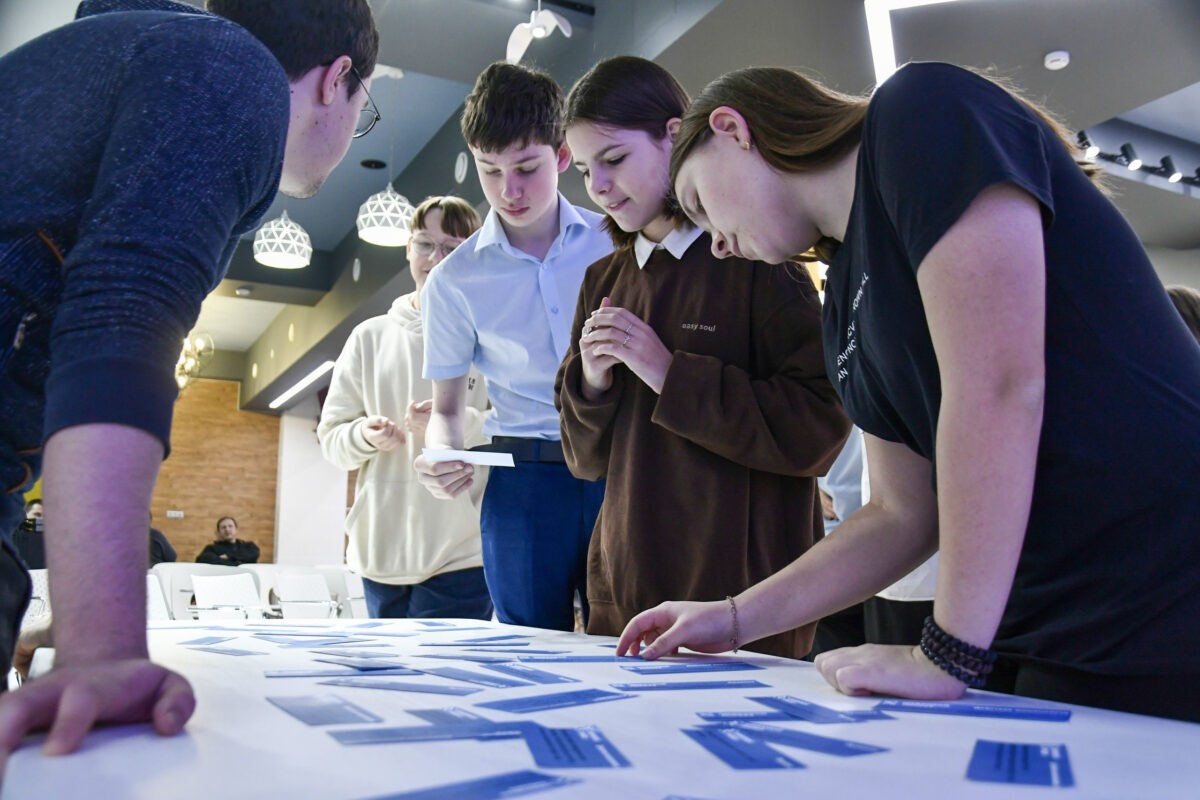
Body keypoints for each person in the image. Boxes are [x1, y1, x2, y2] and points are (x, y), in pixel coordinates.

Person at [618, 62, 1200, 722]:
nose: (716, 245)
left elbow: (1001, 385)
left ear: (732, 130)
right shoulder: (843, 297)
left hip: (1157, 577)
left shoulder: (920, 111)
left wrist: (946, 653)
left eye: (698, 202)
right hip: (1043, 609)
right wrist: (732, 619)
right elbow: (902, 511)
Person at [0, 0, 379, 754]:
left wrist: (75, 608)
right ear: (336, 79)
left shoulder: (161, 52)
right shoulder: (232, 72)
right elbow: (120, 316)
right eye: (362, 110)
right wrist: (101, 649)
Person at [556, 56, 849, 658]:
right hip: (627, 593)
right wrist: (592, 382)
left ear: (674, 134)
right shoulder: (601, 281)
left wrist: (670, 375)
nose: (599, 187)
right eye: (584, 170)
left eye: (614, 159)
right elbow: (582, 461)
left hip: (745, 604)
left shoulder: (763, 253)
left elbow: (818, 430)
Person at [413, 62, 613, 633]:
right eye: (490, 170)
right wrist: (440, 452)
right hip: (522, 479)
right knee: (527, 649)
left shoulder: (615, 245)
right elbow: (446, 411)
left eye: (526, 168)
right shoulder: (453, 281)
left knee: (626, 642)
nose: (509, 190)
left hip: (619, 467)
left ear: (563, 155)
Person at [318, 196, 494, 620]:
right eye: (425, 244)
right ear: (408, 249)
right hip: (379, 553)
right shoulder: (368, 337)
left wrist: (457, 423)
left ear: (472, 254)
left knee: (443, 666)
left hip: (462, 554)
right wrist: (364, 434)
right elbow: (332, 441)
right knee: (386, 667)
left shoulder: (492, 337)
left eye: (451, 248)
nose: (435, 259)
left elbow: (515, 433)